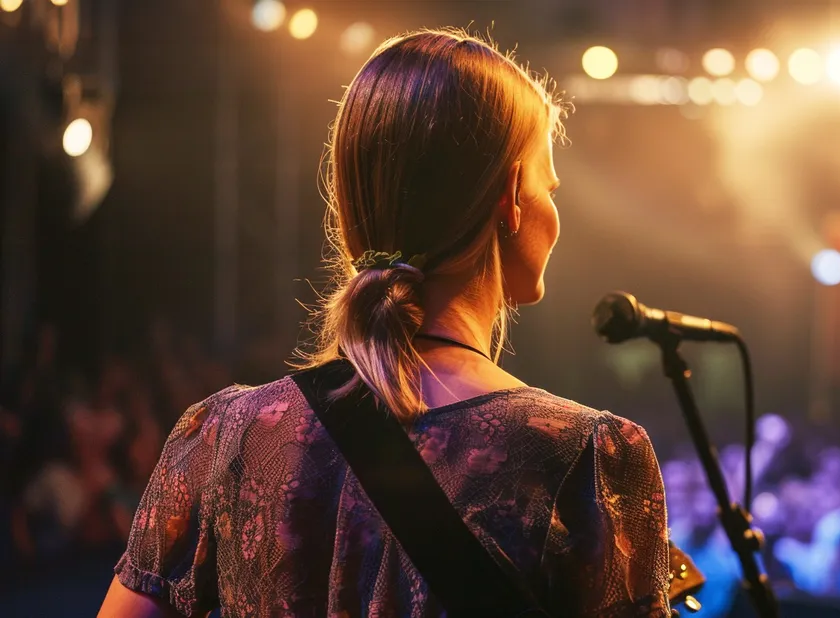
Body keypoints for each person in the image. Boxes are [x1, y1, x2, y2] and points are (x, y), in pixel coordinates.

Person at [98, 28, 683, 617]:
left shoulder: (225, 437)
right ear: (510, 194)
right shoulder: (580, 460)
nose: (554, 208)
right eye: (547, 185)